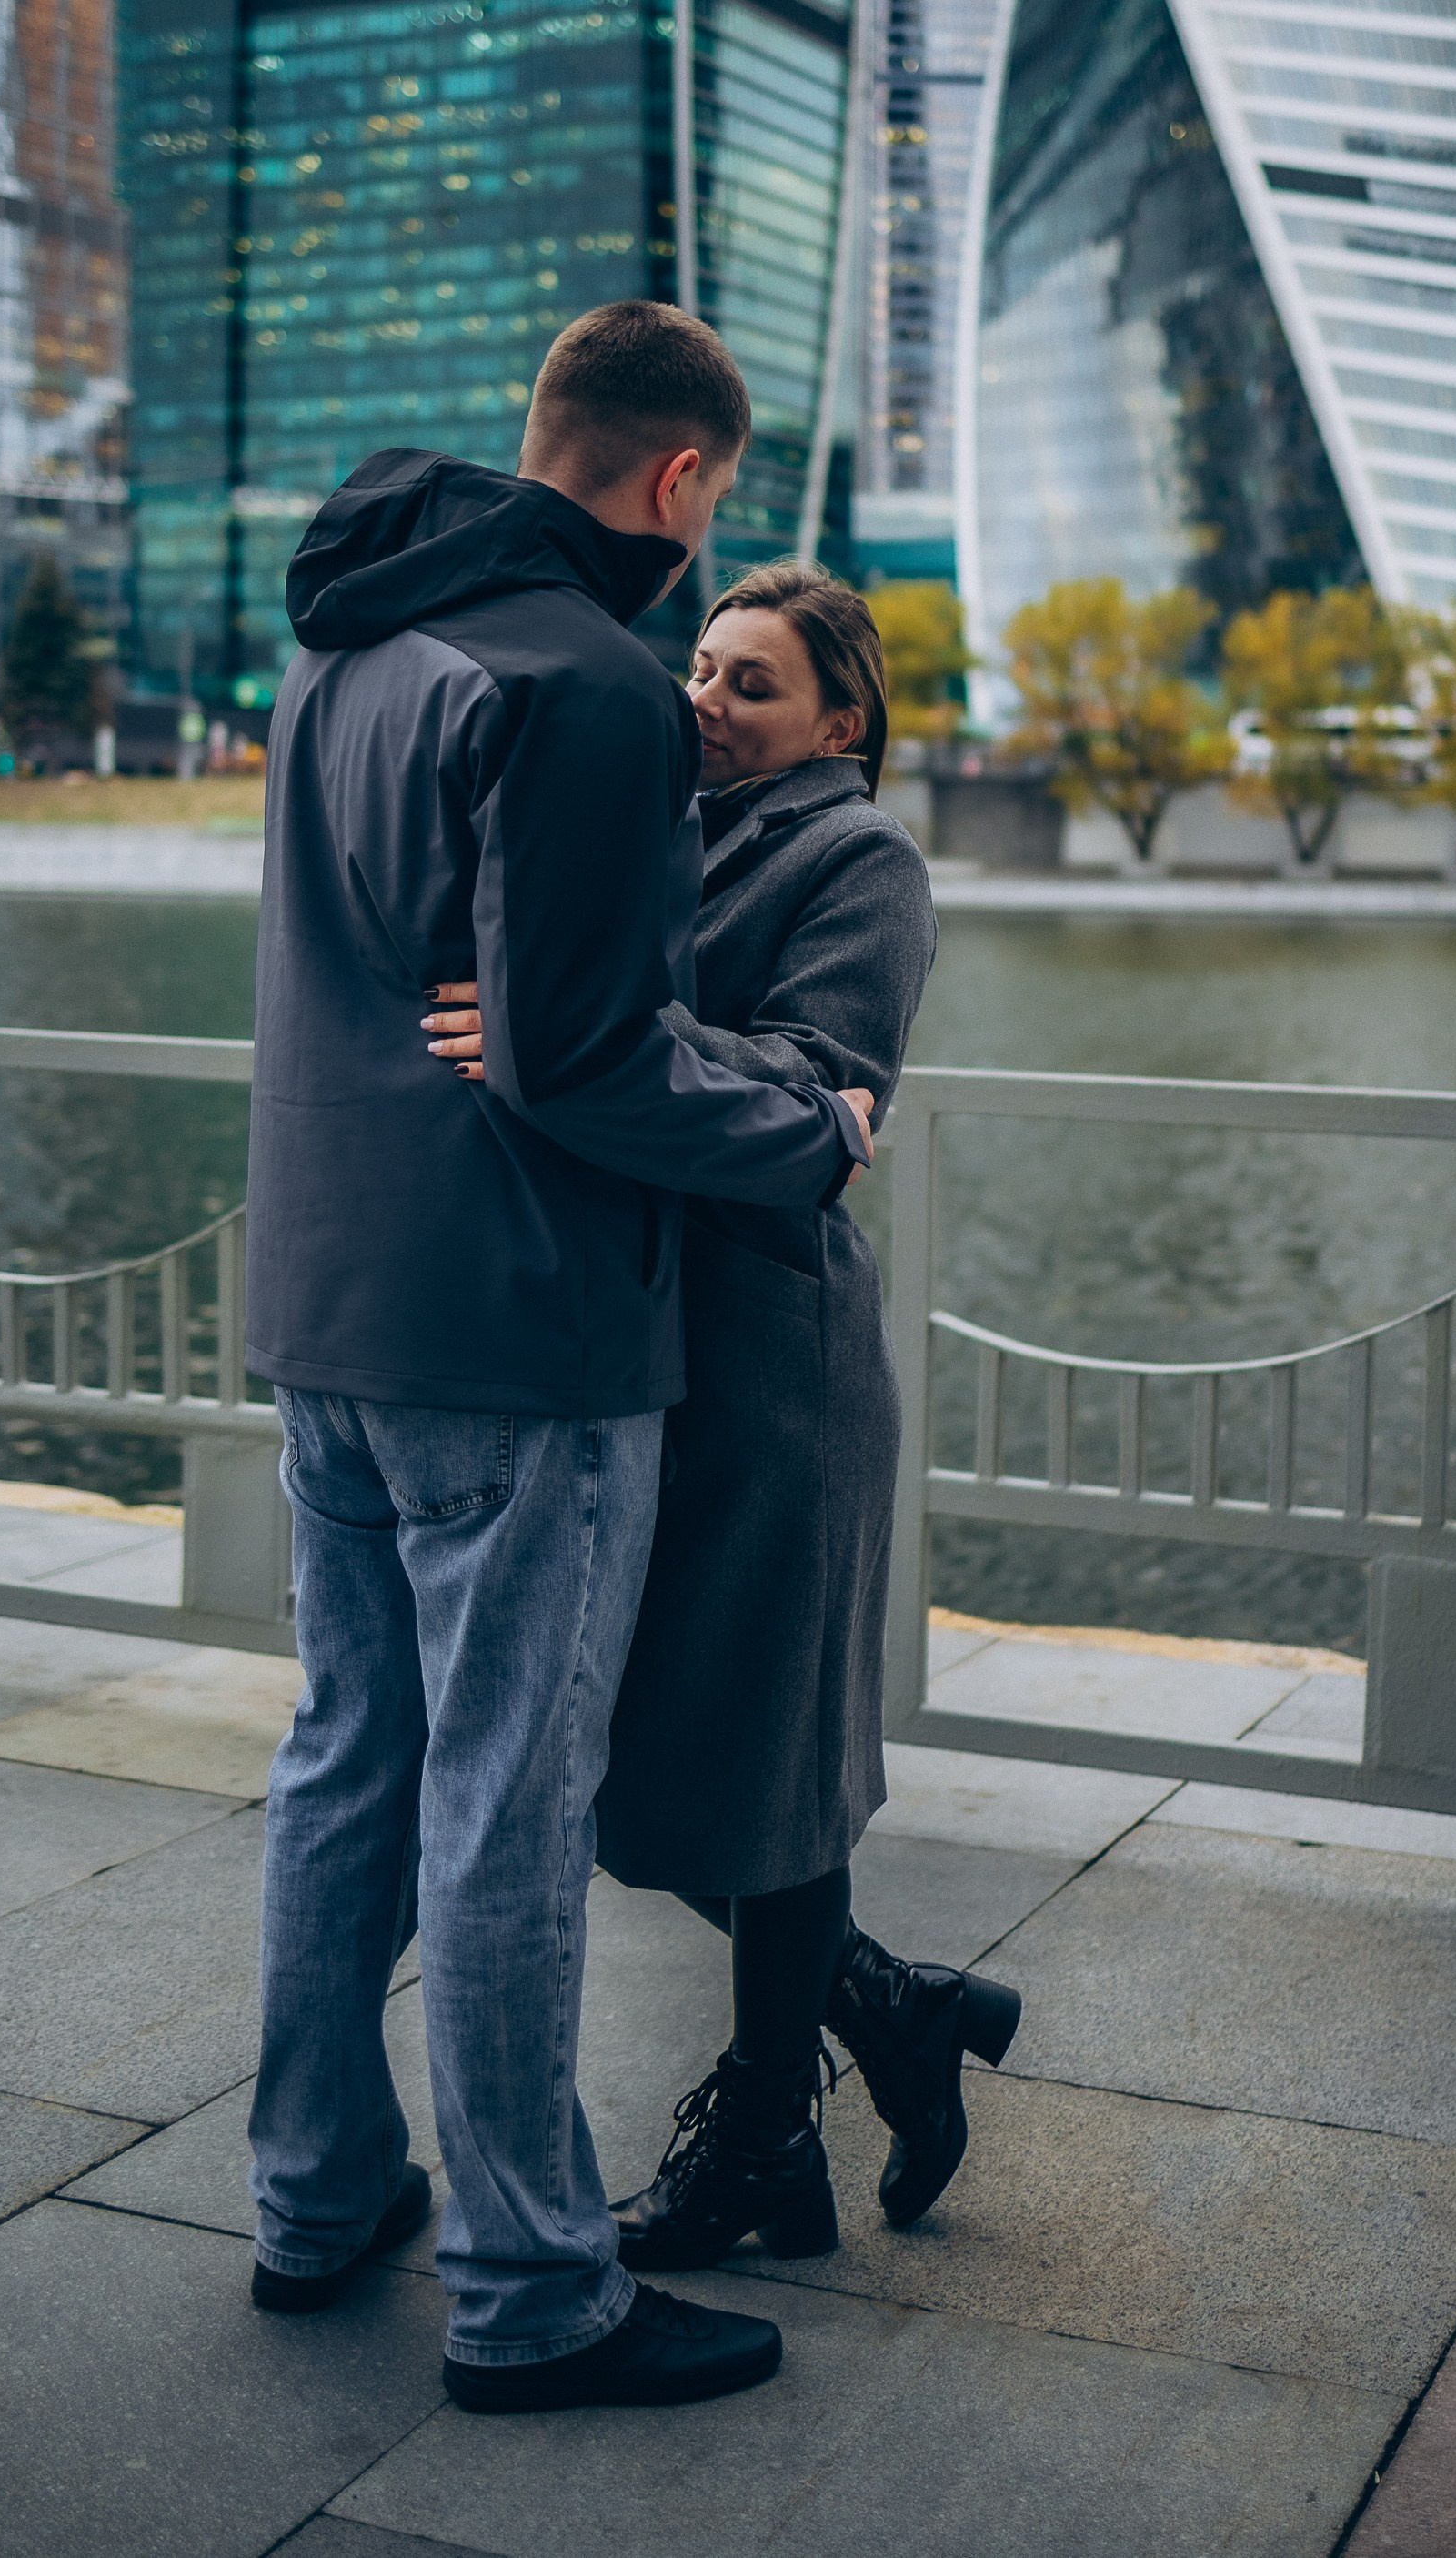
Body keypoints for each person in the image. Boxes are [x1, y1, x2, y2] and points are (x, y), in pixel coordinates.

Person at [241, 305, 875, 2418]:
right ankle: (533, 2285)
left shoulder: (342, 646)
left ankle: (319, 2191)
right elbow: (588, 1061)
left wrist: (529, 1042)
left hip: (326, 1296)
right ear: (683, 482)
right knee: (508, 1797)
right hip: (517, 1332)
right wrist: (811, 1125)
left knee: (347, 1760)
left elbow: (432, 1002)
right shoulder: (590, 686)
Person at [418, 560, 1020, 2272]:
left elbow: (817, 1080)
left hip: (771, 1361)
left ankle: (765, 2139)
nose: (704, 698)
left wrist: (570, 1036)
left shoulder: (862, 860)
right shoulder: (648, 815)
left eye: (751, 684)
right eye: (699, 665)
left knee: (764, 1776)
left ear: (842, 720)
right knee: (628, 1774)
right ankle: (892, 2015)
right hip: (631, 1345)